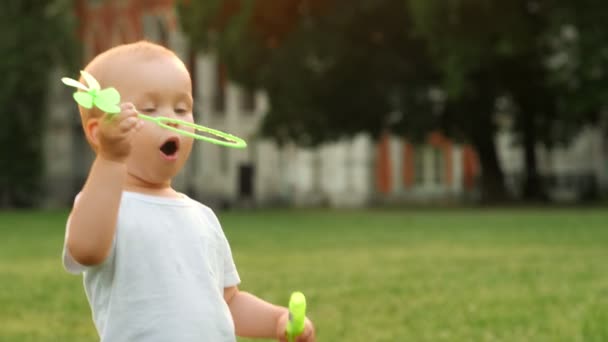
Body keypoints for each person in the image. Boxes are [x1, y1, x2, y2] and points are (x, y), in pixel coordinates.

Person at [62, 40, 315, 342]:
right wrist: (110, 158)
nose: (171, 118)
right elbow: (87, 249)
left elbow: (228, 302)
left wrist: (275, 320)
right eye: (149, 108)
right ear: (97, 132)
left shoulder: (202, 216)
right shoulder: (105, 204)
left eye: (182, 108)